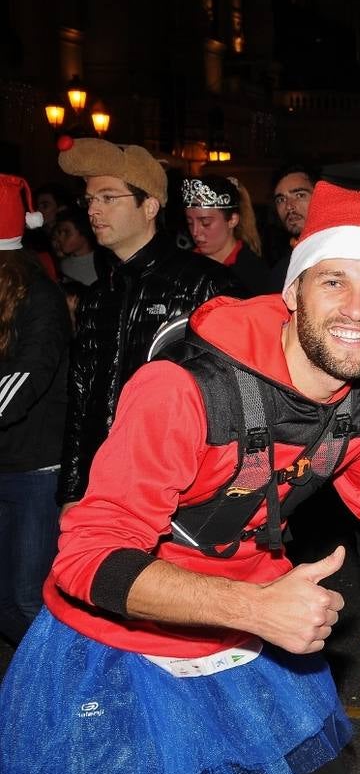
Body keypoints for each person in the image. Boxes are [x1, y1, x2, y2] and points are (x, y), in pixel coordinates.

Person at [0, 181, 360, 774]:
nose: (356, 308)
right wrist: (254, 607)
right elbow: (85, 558)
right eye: (334, 281)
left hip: (247, 631)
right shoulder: (183, 390)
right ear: (294, 289)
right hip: (123, 645)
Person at [56, 139, 238, 508]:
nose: (94, 210)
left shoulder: (208, 284)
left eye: (108, 198)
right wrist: (72, 492)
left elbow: (234, 399)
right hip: (103, 486)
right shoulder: (97, 296)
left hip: (178, 488)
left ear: (149, 206)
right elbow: (79, 401)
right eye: (90, 200)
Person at [0, 178, 68, 645]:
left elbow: (27, 377)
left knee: (28, 596)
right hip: (6, 460)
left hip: (35, 467)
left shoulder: (39, 296)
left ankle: (74, 692)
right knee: (4, 598)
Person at [184, 175, 272, 296]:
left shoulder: (253, 273)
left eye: (205, 223)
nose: (195, 232)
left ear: (232, 220)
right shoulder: (184, 265)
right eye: (189, 223)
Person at [267, 163, 320, 291]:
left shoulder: (343, 253)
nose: (289, 206)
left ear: (320, 197)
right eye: (281, 200)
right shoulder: (280, 271)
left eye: (299, 195)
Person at [50, 207, 99, 287]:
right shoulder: (63, 266)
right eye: (59, 232)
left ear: (83, 233)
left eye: (66, 232)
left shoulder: (101, 263)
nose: (60, 238)